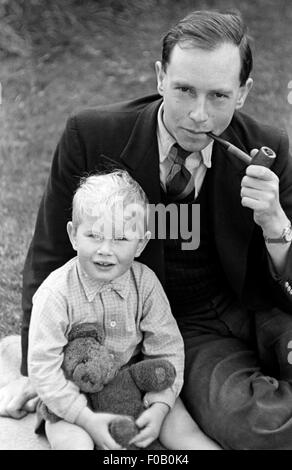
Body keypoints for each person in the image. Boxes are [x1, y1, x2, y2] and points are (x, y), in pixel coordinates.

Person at [1, 9, 292, 450]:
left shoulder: (267, 151)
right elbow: (48, 256)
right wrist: (33, 372)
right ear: (160, 78)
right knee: (255, 428)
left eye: (218, 96)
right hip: (186, 325)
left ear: (244, 93)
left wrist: (275, 224)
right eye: (184, 90)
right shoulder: (91, 136)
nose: (198, 115)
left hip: (263, 307)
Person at [27, 170, 186, 450]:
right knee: (74, 442)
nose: (105, 250)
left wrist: (160, 405)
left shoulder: (145, 283)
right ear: (73, 235)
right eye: (94, 235)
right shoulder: (56, 294)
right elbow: (43, 368)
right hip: (73, 390)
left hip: (129, 381)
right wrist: (86, 419)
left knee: (182, 428)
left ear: (141, 243)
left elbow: (167, 345)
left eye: (120, 239)